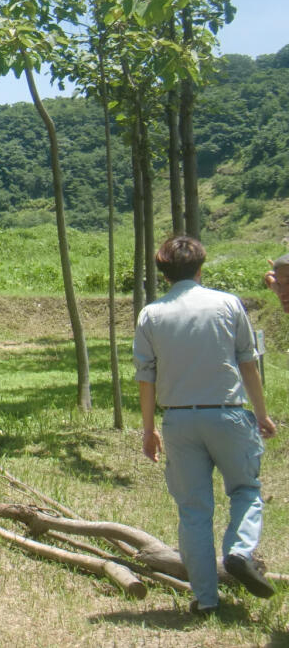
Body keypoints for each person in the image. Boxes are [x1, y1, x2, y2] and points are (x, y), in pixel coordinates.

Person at [134, 235, 278, 615]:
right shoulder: (228, 304)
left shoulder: (151, 314)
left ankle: (205, 599)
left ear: (164, 272)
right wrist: (261, 413)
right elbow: (248, 363)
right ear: (200, 267)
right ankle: (239, 551)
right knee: (245, 490)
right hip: (227, 413)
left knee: (193, 510)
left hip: (179, 420)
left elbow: (145, 377)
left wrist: (148, 430)